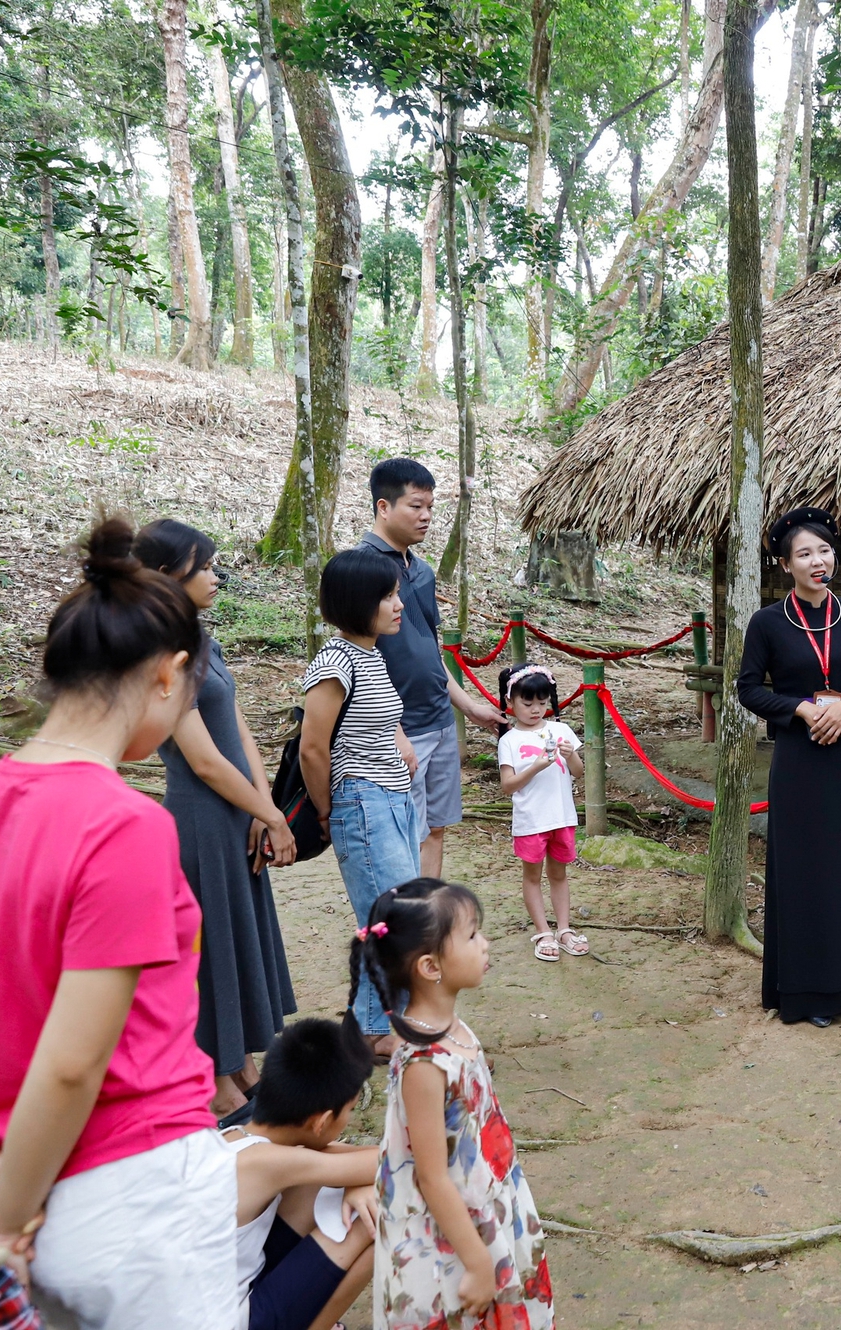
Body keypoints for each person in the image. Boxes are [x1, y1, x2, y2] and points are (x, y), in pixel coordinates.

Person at [0, 517, 241, 1327]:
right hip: (133, 1203)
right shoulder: (125, 825)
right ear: (170, 677)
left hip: (2, 1178)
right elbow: (73, 1064)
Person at [136, 518, 299, 1118]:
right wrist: (268, 816)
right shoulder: (159, 651)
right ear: (164, 576)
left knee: (238, 936)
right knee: (212, 947)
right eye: (203, 567)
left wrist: (265, 806)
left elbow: (239, 730)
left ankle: (244, 1068)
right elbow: (202, 760)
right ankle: (216, 1081)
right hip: (202, 818)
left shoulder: (203, 637)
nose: (215, 576)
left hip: (239, 813)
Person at [350, 879, 553, 1330]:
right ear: (430, 966)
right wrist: (479, 1263)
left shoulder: (451, 1029)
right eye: (472, 935)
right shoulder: (423, 1062)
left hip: (486, 1199)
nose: (486, 944)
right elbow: (431, 1175)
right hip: (451, 1235)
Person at [735, 507, 841, 1027]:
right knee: (807, 869)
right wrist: (803, 709)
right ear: (786, 565)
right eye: (805, 554)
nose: (817, 560)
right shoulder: (766, 622)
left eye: (824, 550)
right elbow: (748, 688)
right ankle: (811, 993)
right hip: (799, 758)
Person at [357, 458, 505, 879]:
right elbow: (361, 660)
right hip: (399, 730)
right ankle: (406, 927)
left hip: (439, 721)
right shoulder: (364, 570)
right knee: (406, 830)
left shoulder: (420, 570)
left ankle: (429, 915)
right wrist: (396, 733)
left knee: (435, 829)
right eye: (415, 506)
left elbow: (430, 650)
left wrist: (468, 706)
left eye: (430, 507)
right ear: (384, 507)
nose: (425, 516)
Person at [302, 548, 420, 1052]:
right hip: (362, 804)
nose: (398, 605)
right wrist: (328, 810)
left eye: (396, 593)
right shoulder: (334, 663)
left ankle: (376, 1022)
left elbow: (376, 720)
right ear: (357, 602)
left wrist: (401, 743)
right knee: (389, 922)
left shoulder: (370, 654)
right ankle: (378, 1029)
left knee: (400, 917)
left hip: (394, 800)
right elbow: (312, 748)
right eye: (387, 596)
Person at [228, 1017, 381, 1330]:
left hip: (217, 1294)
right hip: (230, 1320)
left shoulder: (235, 1137)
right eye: (349, 1111)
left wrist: (352, 1181)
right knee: (376, 1214)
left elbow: (345, 1161)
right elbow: (401, 1162)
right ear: (322, 1121)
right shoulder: (272, 1162)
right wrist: (357, 1182)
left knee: (324, 1189)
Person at [495, 664, 587, 963]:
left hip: (562, 816)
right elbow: (508, 786)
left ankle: (564, 930)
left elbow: (579, 772)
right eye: (527, 703)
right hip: (531, 820)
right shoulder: (509, 740)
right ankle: (543, 931)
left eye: (542, 703)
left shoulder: (560, 730)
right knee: (532, 876)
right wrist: (535, 765)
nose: (536, 710)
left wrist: (571, 754)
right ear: (511, 703)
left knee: (559, 875)